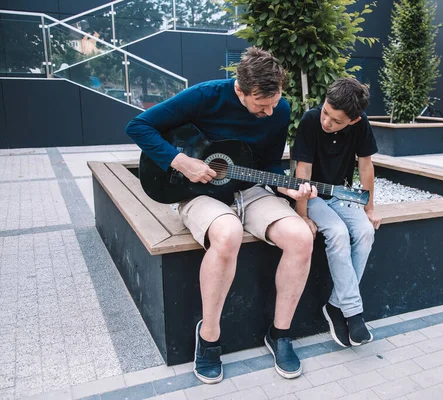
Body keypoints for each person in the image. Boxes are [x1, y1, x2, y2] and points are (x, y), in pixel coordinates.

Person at [126, 47, 317, 383]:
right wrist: (181, 161)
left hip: (251, 191)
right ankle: (209, 336)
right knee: (227, 233)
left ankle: (280, 333)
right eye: (261, 105)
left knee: (301, 236)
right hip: (197, 191)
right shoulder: (204, 96)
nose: (270, 111)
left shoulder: (279, 108)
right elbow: (139, 127)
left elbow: (271, 164)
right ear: (240, 89)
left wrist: (287, 188)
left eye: (275, 103)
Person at [292, 77, 382, 347]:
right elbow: (302, 174)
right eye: (326, 113)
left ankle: (335, 305)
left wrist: (369, 208)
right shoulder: (310, 120)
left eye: (336, 121)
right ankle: (354, 312)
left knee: (366, 232)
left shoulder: (360, 125)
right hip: (313, 197)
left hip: (341, 195)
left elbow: (366, 167)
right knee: (338, 233)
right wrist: (303, 215)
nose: (326, 122)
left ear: (354, 120)